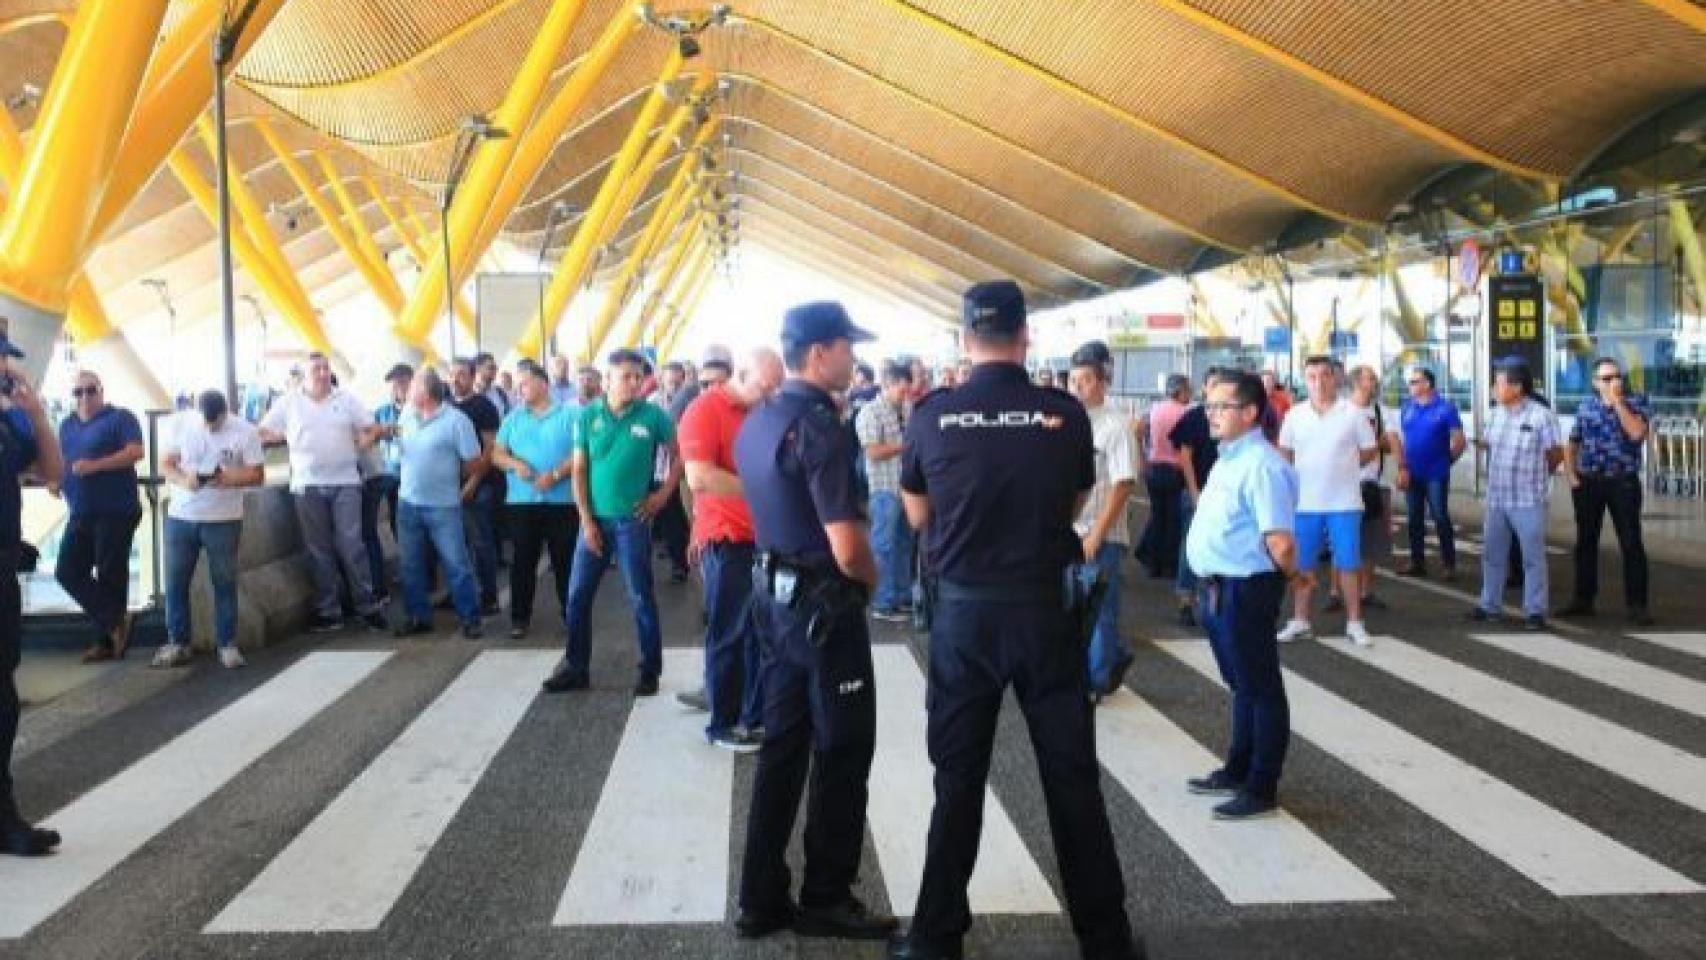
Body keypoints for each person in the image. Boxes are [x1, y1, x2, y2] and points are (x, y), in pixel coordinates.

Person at [890, 282, 1139, 960]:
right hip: (1043, 612)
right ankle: (1106, 940)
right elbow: (1076, 501)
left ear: (965, 340)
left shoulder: (931, 415)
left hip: (964, 617)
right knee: (1071, 777)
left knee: (958, 778)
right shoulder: (1061, 412)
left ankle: (936, 939)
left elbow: (916, 514)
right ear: (1026, 336)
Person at [731, 301, 893, 943]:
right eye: (847, 346)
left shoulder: (758, 420)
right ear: (820, 351)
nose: (854, 358)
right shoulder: (823, 427)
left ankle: (759, 896)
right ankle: (826, 894)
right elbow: (848, 547)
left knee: (783, 748)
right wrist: (874, 583)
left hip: (772, 600)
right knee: (843, 750)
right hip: (825, 609)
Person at [1184, 371, 1303, 821]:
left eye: (1221, 407)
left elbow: (1281, 542)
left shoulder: (1263, 465)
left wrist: (1297, 575)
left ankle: (1261, 784)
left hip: (1247, 588)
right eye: (1208, 406)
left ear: (1250, 412)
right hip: (1219, 587)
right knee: (1242, 686)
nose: (1211, 415)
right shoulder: (1228, 458)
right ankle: (1237, 768)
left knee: (1260, 687)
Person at [542, 348, 681, 696]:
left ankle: (649, 670)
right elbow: (579, 470)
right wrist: (586, 521)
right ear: (608, 380)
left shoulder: (653, 417)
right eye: (626, 376)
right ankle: (576, 667)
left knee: (640, 596)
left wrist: (662, 496)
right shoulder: (588, 418)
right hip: (594, 522)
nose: (634, 382)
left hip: (632, 522)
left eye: (638, 376)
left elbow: (680, 455)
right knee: (577, 597)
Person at [677, 346, 785, 752]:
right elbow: (700, 477)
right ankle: (722, 723)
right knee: (729, 632)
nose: (769, 394)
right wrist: (763, 492)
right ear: (741, 373)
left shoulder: (762, 412)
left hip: (761, 538)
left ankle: (753, 715)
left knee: (760, 633)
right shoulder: (704, 410)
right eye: (764, 386)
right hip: (725, 539)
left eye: (776, 388)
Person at [258, 351, 386, 632]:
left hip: (346, 481)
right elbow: (262, 431)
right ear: (304, 375)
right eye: (317, 369)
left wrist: (364, 442)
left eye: (326, 368)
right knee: (318, 550)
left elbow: (372, 427)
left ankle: (367, 605)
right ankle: (329, 610)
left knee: (352, 545)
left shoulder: (346, 398)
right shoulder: (289, 402)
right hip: (307, 484)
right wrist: (285, 437)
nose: (323, 373)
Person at [0, 330, 65, 856]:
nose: (6, 366)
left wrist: (37, 414)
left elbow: (52, 473)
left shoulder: (9, 421)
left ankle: (4, 817)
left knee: (3, 700)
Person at [155, 388, 267, 669]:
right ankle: (178, 641)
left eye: (214, 423)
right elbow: (166, 464)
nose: (208, 427)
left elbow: (257, 474)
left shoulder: (245, 431)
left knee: (225, 581)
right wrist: (184, 480)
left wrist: (227, 478)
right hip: (182, 515)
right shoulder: (180, 423)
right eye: (204, 421)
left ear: (225, 413)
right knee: (175, 581)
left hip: (224, 517)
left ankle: (227, 642)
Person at [1275, 356, 1377, 647]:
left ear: (1336, 379)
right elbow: (1285, 452)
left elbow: (1369, 451)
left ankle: (1355, 622)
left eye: (1324, 376)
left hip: (1344, 503)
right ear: (1305, 380)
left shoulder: (1353, 413)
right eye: (1311, 376)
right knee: (1303, 565)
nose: (1318, 382)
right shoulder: (1294, 415)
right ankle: (1300, 620)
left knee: (1347, 564)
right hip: (1305, 504)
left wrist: (1343, 468)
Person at [52, 370, 144, 663]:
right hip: (81, 510)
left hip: (115, 510)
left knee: (110, 575)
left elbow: (135, 452)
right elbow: (61, 459)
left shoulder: (120, 418)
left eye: (90, 390)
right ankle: (117, 620)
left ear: (101, 391)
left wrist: (96, 466)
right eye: (78, 392)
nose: (84, 397)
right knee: (67, 570)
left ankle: (107, 641)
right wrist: (56, 478)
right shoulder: (66, 425)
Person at [1068, 341, 1138, 702]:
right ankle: (1106, 662)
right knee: (1075, 607)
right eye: (1074, 380)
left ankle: (1095, 682)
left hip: (1103, 533)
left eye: (1086, 380)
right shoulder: (1071, 421)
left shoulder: (1116, 426)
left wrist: (1098, 532)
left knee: (1101, 611)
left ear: (1102, 382)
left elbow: (1124, 483)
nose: (1078, 387)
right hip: (1072, 532)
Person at [1470, 360, 1563, 630]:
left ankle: (1535, 611)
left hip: (1527, 500)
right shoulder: (1495, 414)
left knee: (1532, 557)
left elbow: (1555, 453)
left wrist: (1540, 475)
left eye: (1499, 383)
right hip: (1498, 498)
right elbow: (1489, 442)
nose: (1494, 388)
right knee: (1492, 554)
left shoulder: (1541, 416)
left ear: (1517, 387)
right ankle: (1490, 605)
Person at [391, 368, 484, 639]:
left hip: (443, 505)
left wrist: (452, 479)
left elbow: (474, 460)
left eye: (412, 387)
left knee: (456, 563)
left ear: (426, 392)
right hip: (408, 502)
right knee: (410, 565)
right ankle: (418, 616)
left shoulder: (457, 421)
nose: (407, 391)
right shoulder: (407, 415)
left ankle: (470, 617)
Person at [1560, 357, 1652, 625]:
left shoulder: (1637, 403)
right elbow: (1573, 441)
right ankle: (1583, 598)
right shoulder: (1586, 406)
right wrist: (1571, 475)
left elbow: (1636, 433)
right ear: (1595, 383)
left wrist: (1619, 403)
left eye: (1617, 377)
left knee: (1631, 542)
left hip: (1622, 480)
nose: (1614, 382)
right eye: (1607, 378)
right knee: (1586, 541)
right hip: (1589, 481)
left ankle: (1637, 604)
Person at [492, 361, 579, 639]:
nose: (520, 389)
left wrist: (555, 475)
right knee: (523, 562)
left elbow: (582, 453)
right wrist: (514, 465)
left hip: (562, 501)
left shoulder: (571, 415)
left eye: (525, 383)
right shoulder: (512, 419)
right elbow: (496, 454)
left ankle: (571, 614)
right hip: (522, 501)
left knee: (564, 561)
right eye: (517, 384)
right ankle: (520, 618)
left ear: (544, 383)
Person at [1394, 366, 1465, 579]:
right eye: (1411, 382)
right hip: (1412, 472)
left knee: (1440, 516)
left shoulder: (1445, 408)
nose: (1411, 386)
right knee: (1414, 518)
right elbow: (1402, 439)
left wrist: (1446, 462)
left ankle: (1449, 564)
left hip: (1436, 473)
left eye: (1415, 382)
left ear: (1427, 384)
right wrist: (1403, 467)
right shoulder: (1407, 407)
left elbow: (1459, 441)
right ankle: (1417, 562)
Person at [856, 360, 914, 621]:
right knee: (884, 546)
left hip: (906, 488)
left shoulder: (906, 409)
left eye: (907, 390)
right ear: (888, 385)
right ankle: (882, 601)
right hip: (883, 488)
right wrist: (906, 445)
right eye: (902, 390)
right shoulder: (870, 412)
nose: (906, 395)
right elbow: (872, 451)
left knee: (903, 544)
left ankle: (901, 596)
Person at [1337, 365, 1395, 612]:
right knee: (1344, 541)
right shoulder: (1342, 412)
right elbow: (1341, 448)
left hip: (1374, 483)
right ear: (1357, 383)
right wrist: (1373, 444)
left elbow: (1390, 445)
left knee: (1372, 542)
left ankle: (1367, 591)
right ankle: (1337, 592)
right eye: (1369, 378)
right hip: (1346, 484)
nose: (1374, 381)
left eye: (1374, 377)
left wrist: (1372, 446)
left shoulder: (1381, 412)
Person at [1171, 368, 1224, 628]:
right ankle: (1185, 598)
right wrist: (1194, 492)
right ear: (1204, 388)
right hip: (1198, 492)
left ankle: (1211, 604)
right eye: (1212, 384)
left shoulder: (1232, 417)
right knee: (1189, 546)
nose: (1216, 389)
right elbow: (1185, 457)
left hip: (1226, 496)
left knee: (1219, 546)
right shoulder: (1194, 417)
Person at [449, 358, 502, 614]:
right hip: (447, 487)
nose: (455, 380)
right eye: (452, 375)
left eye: (461, 375)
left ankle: (489, 595)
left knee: (481, 541)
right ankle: (459, 592)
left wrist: (473, 482)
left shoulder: (484, 407)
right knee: (455, 544)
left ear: (471, 377)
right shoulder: (445, 406)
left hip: (478, 485)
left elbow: (490, 448)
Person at [362, 363, 412, 606]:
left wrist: (390, 430)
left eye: (402, 382)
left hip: (411, 475)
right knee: (391, 524)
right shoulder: (381, 411)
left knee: (404, 523)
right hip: (385, 473)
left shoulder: (419, 409)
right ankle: (405, 571)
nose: (397, 387)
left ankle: (418, 573)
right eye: (394, 383)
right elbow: (369, 434)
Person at [1137, 374, 1191, 578]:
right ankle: (1169, 565)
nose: (1190, 394)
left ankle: (1151, 562)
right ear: (1180, 391)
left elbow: (1138, 431)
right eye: (1188, 390)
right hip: (1175, 470)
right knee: (1174, 519)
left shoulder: (1154, 409)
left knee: (1158, 515)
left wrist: (1143, 457)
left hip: (1154, 468)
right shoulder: (1186, 413)